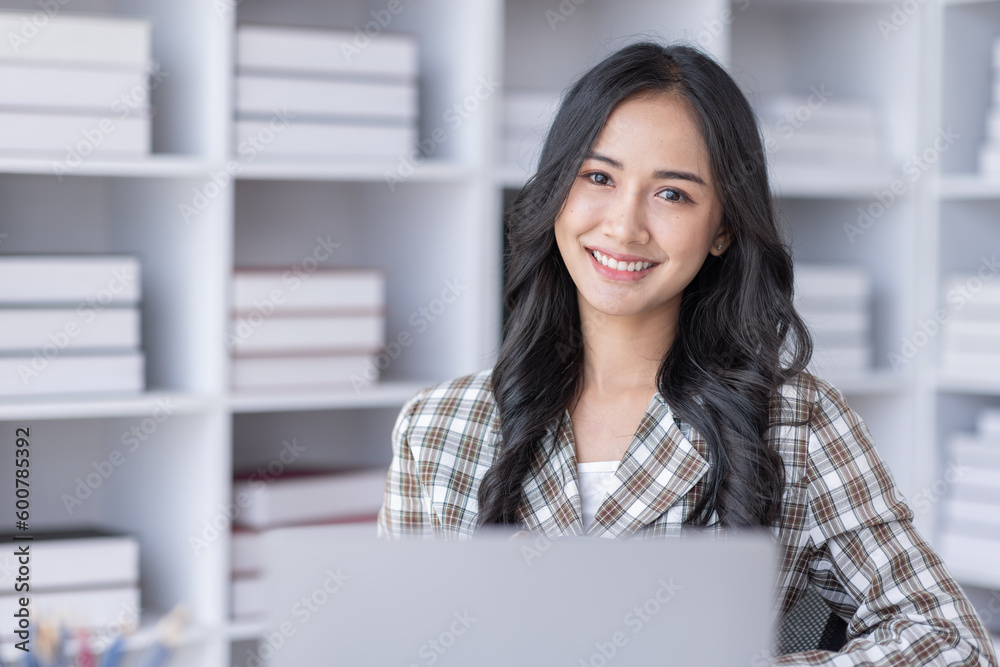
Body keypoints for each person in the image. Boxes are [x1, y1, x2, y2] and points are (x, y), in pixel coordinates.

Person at [376, 41, 998, 665]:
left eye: (671, 194)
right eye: (598, 177)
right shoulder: (438, 427)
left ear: (724, 227)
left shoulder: (797, 423)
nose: (624, 226)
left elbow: (953, 643)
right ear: (556, 193)